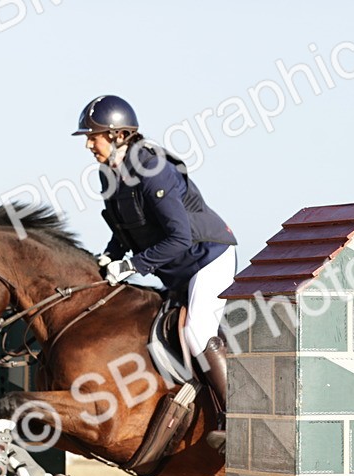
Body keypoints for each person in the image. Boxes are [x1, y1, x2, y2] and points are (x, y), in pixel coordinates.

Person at [74, 95, 237, 450]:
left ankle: (235, 419)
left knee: (197, 331)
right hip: (176, 270)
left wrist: (132, 266)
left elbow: (180, 237)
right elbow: (123, 228)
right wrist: (110, 257)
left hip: (208, 257)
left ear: (118, 135)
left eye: (93, 136)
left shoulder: (154, 170)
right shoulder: (109, 174)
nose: (88, 144)